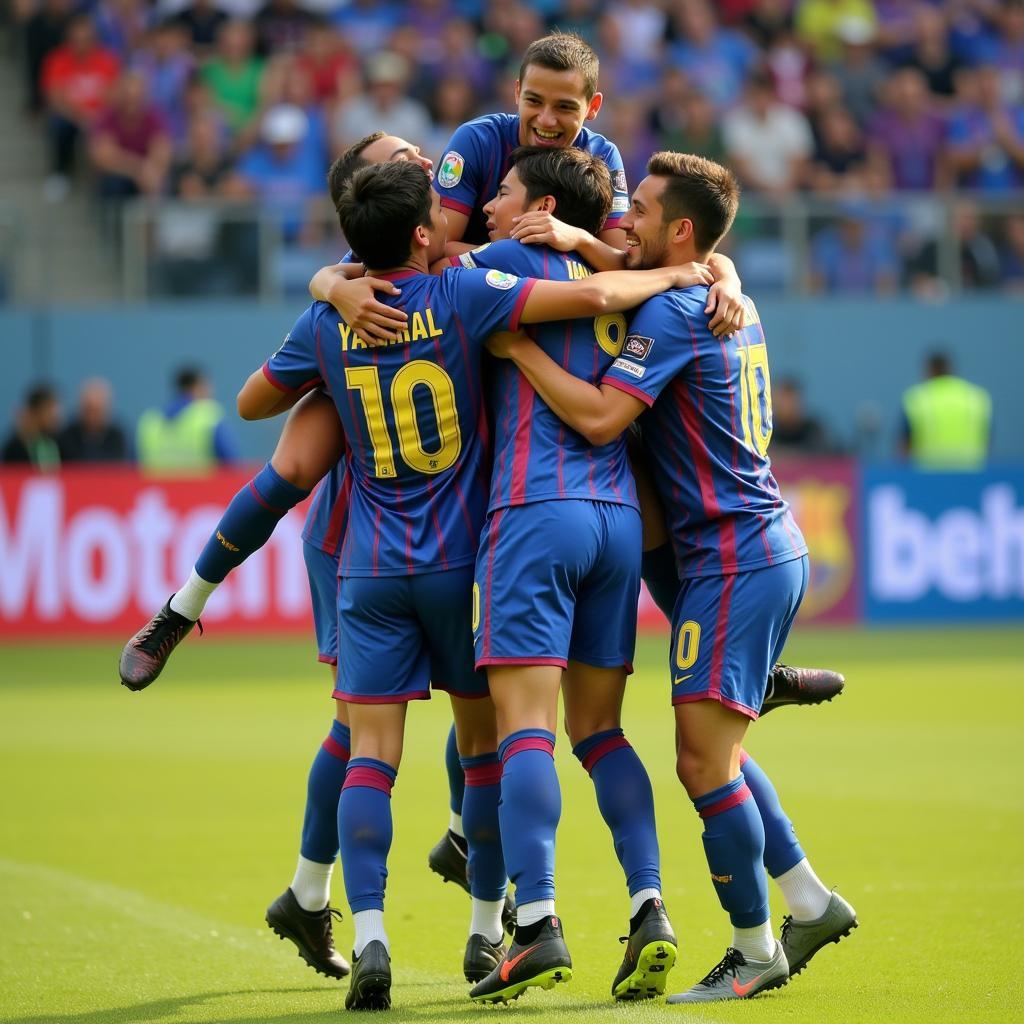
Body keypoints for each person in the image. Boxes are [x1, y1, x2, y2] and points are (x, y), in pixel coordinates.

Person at [233, 159, 704, 1009]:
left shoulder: (476, 276)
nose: (482, 209)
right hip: (613, 520)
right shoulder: (627, 279)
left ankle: (519, 925)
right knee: (593, 734)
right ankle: (633, 908)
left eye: (503, 198)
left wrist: (331, 286)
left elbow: (260, 398)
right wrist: (696, 266)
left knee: (476, 738)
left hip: (499, 527)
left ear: (540, 211)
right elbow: (611, 293)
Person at [488, 152, 858, 1003]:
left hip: (732, 557)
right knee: (717, 747)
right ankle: (806, 900)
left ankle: (756, 950)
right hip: (736, 550)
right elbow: (647, 264)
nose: (626, 220)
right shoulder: (724, 291)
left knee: (700, 763)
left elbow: (599, 415)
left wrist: (518, 350)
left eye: (642, 212)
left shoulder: (686, 308)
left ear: (681, 231)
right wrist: (602, 241)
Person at [135, 365, 239, 473]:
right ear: (197, 387)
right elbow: (231, 466)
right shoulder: (209, 416)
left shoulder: (150, 421)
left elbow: (132, 467)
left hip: (158, 489)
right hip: (202, 489)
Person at [900, 352, 992, 469]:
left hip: (928, 477)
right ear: (950, 369)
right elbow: (987, 441)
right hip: (972, 475)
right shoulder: (976, 397)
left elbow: (904, 446)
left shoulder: (917, 399)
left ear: (929, 370)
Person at [58, 377, 128, 462]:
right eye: (89, 409)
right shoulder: (67, 437)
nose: (93, 416)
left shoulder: (116, 437)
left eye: (97, 410)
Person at [1, 383, 63, 469]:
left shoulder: (56, 442)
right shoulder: (15, 447)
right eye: (50, 410)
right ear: (36, 411)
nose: (56, 415)